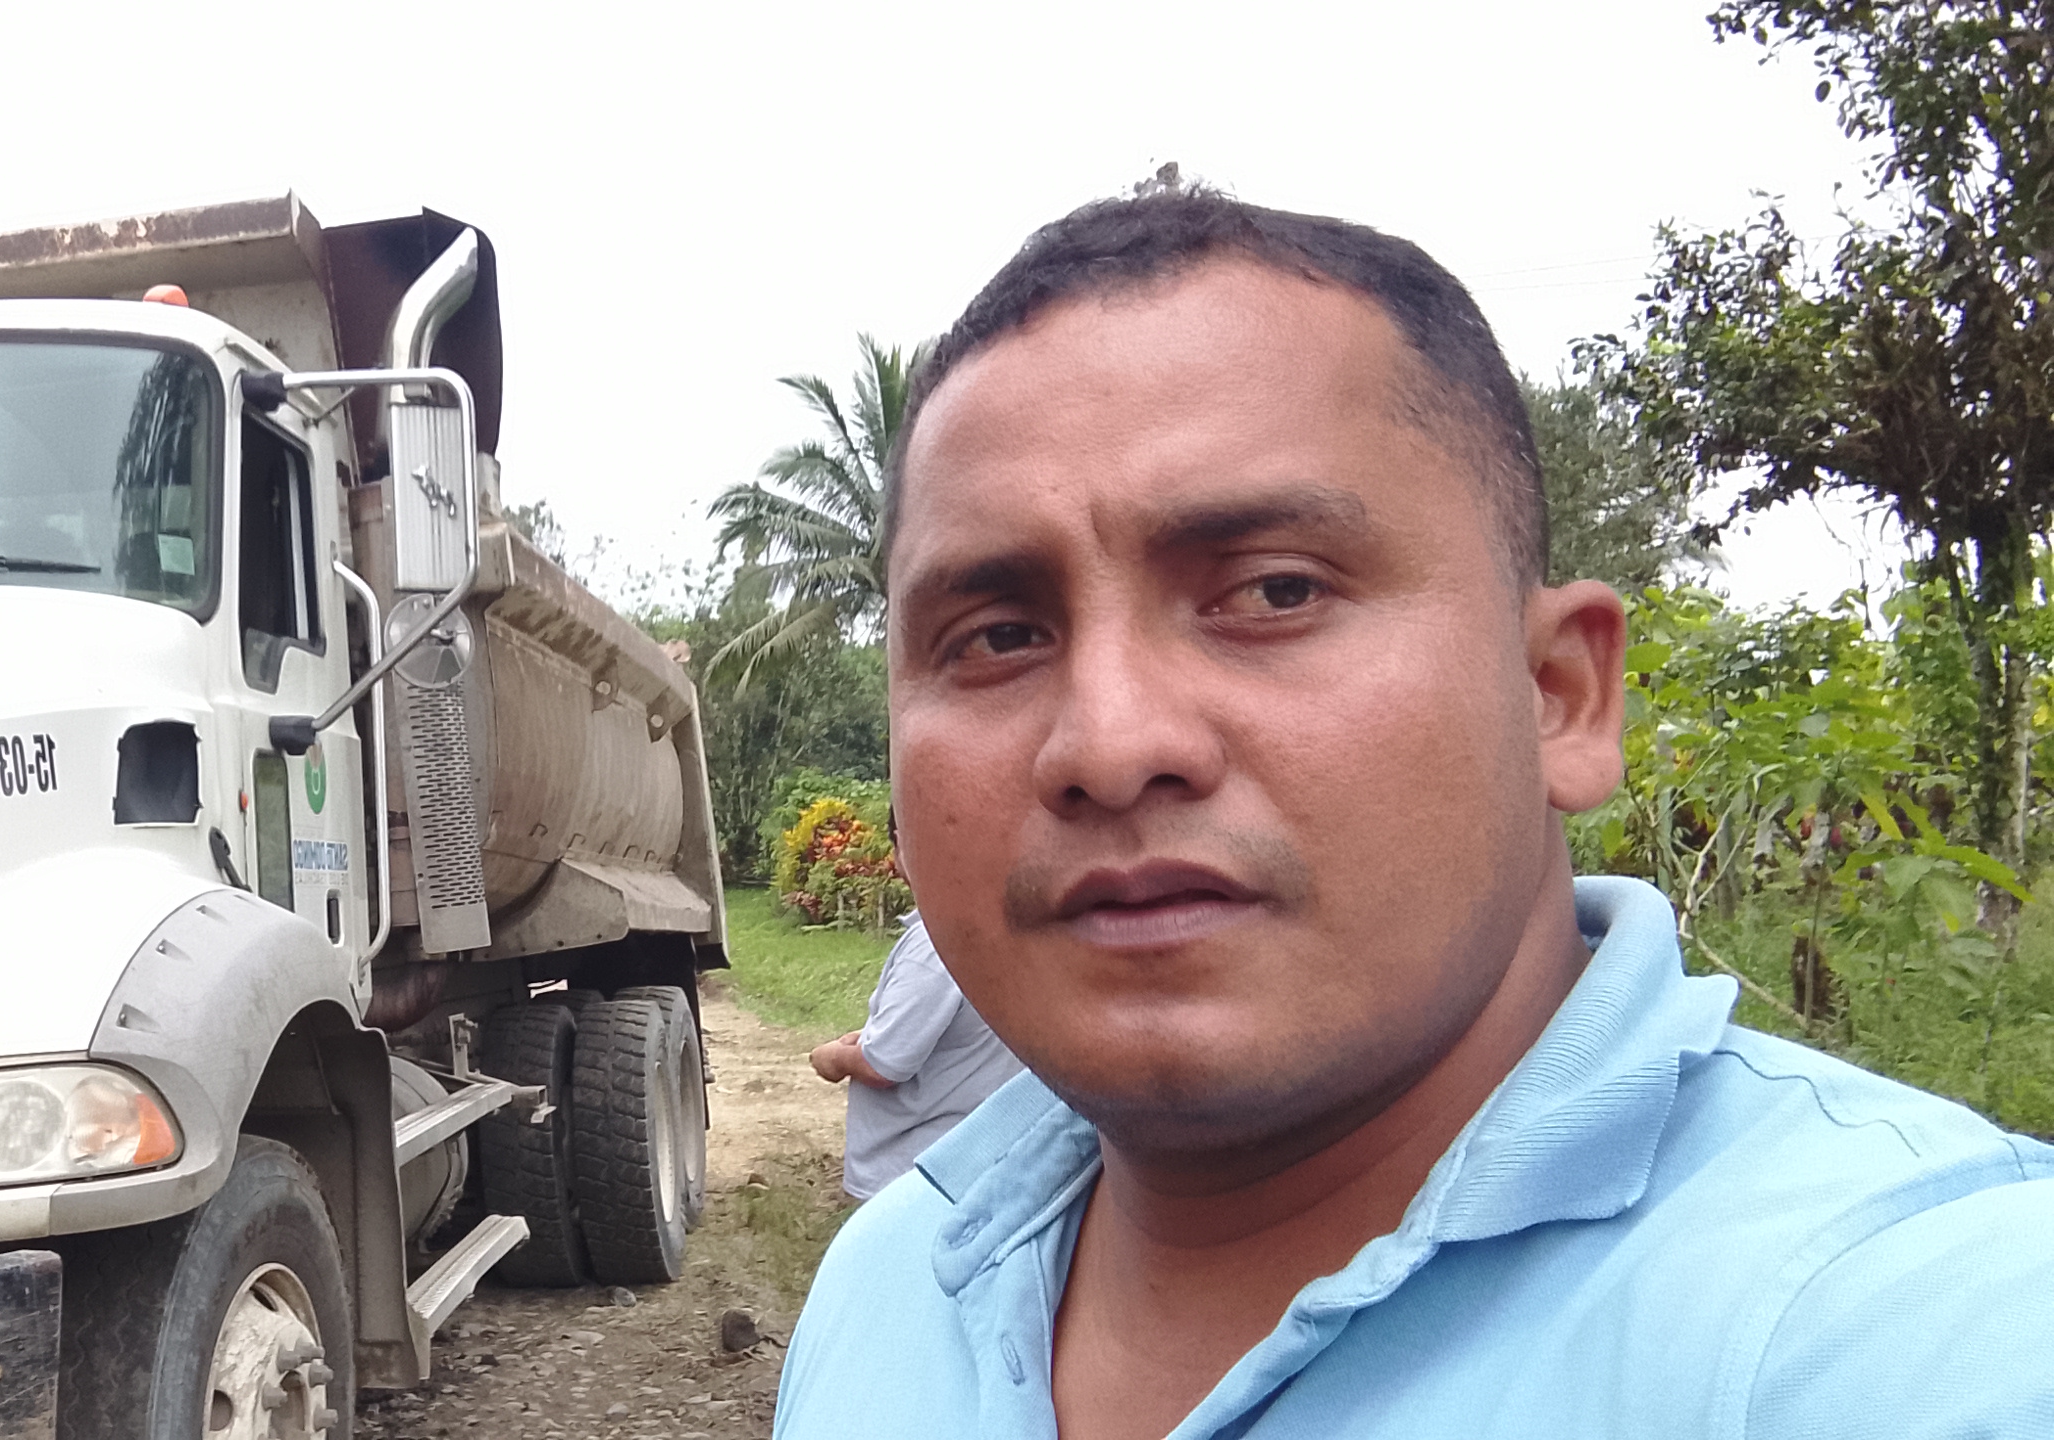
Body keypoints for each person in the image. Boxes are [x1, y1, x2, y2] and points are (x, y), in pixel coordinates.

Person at [774, 189, 2054, 1438]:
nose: (1108, 747)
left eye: (1274, 592)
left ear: (1557, 694)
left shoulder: (1902, 1331)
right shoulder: (889, 1288)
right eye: (996, 636)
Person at [810, 912, 1024, 1200]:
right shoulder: (1003, 928)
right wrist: (876, 1033)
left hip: (914, 1174)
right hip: (972, 1159)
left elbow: (882, 1066)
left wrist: (832, 1058)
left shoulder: (935, 942)